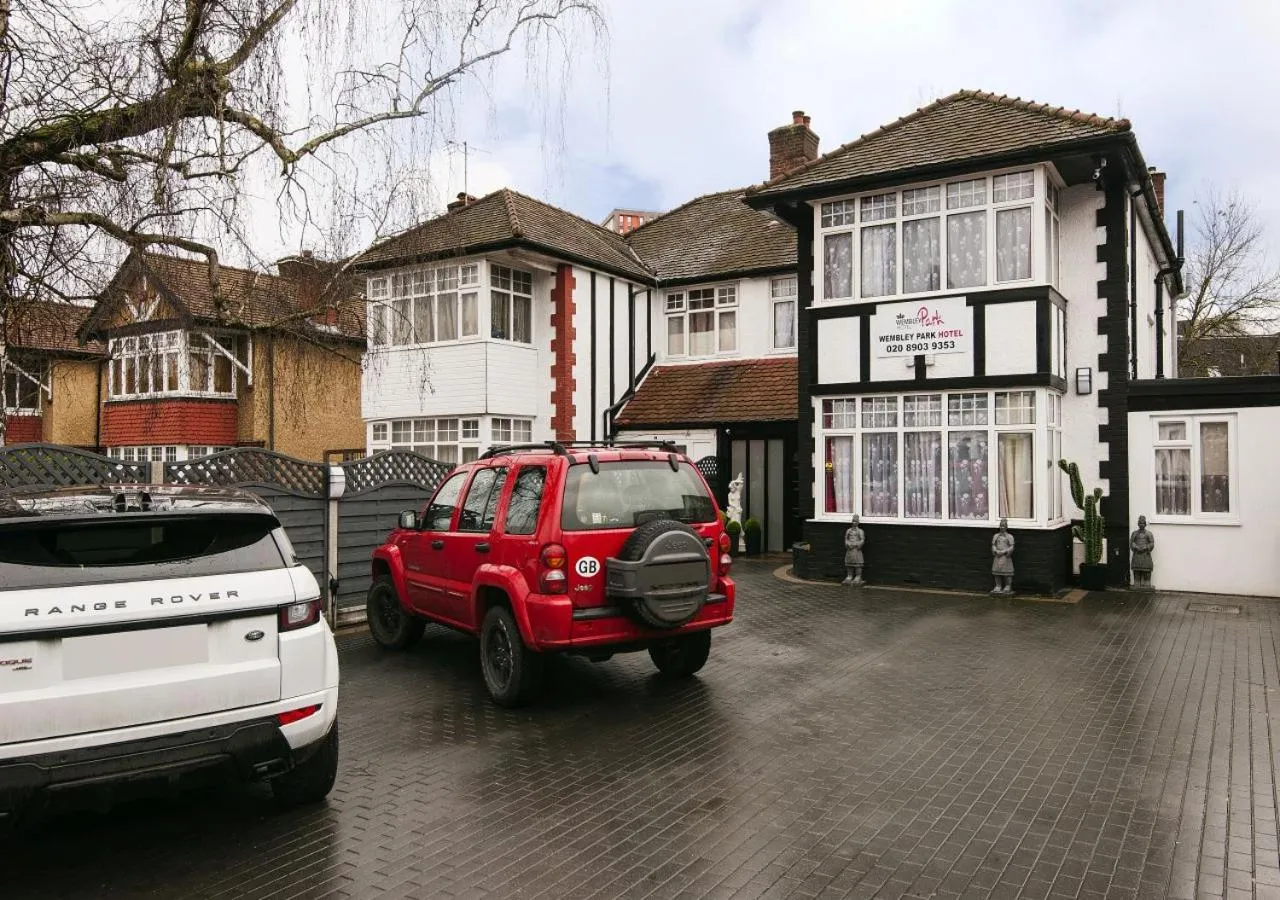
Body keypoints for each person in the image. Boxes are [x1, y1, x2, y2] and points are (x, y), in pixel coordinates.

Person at [1130, 515, 1155, 590]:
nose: (1142, 525)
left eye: (1143, 523)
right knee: (1136, 571)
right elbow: (1131, 542)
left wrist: (1146, 547)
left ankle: (1147, 584)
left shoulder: (1149, 533)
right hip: (1137, 554)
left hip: (1145, 555)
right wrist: (1135, 547)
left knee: (1147, 571)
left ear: (1145, 524)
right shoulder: (1134, 533)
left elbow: (1152, 543)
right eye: (1140, 523)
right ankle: (1137, 583)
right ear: (1138, 524)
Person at [991, 518, 1014, 594]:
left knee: (1007, 572)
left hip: (1005, 556)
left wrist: (1005, 551)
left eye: (1003, 526)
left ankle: (1008, 586)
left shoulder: (1010, 536)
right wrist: (995, 550)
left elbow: (1011, 546)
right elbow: (993, 545)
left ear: (1006, 527)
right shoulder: (996, 536)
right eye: (1001, 526)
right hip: (997, 556)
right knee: (996, 571)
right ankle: (998, 585)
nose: (1002, 527)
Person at [843, 515, 866, 586]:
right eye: (853, 521)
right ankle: (849, 576)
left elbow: (862, 540)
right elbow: (846, 538)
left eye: (855, 521)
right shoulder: (848, 530)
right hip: (849, 549)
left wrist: (856, 544)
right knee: (849, 562)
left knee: (858, 563)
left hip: (856, 549)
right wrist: (847, 543)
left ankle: (858, 576)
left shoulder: (860, 531)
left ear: (858, 522)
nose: (854, 522)